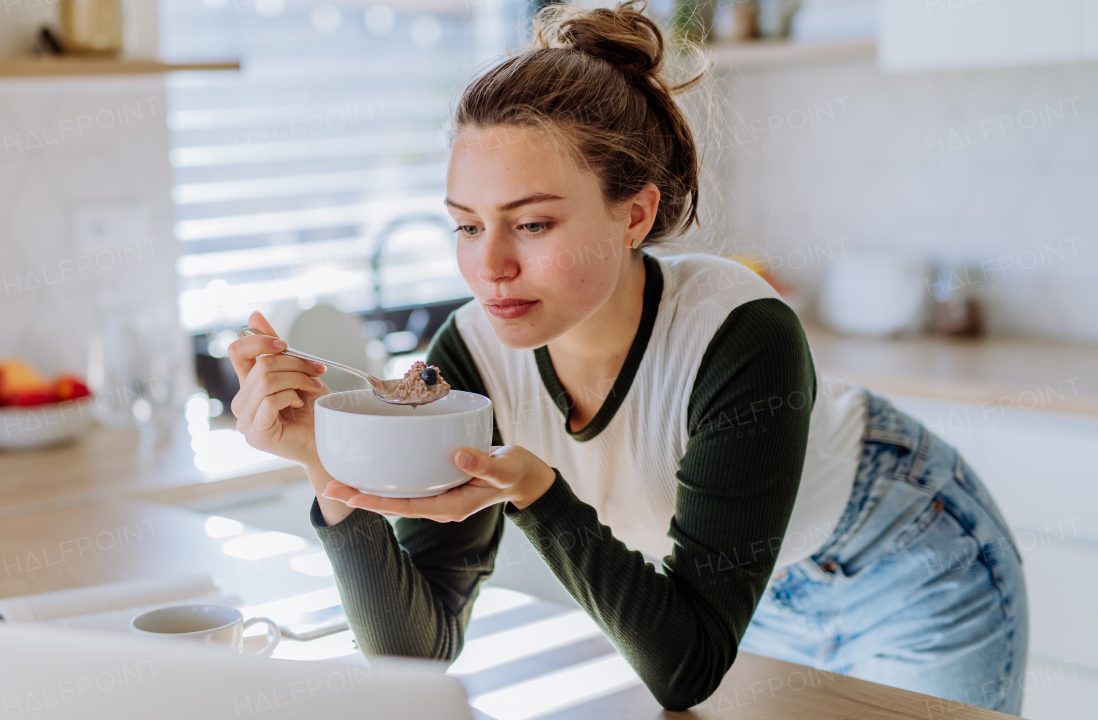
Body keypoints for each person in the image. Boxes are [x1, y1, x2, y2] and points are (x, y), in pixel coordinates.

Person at [228, 1, 1028, 713]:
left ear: (634, 214)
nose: (489, 266)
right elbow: (418, 653)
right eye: (467, 225)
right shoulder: (471, 355)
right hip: (727, 595)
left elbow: (687, 671)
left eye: (532, 224)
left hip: (901, 554)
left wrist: (539, 492)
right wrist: (326, 471)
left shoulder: (738, 333)